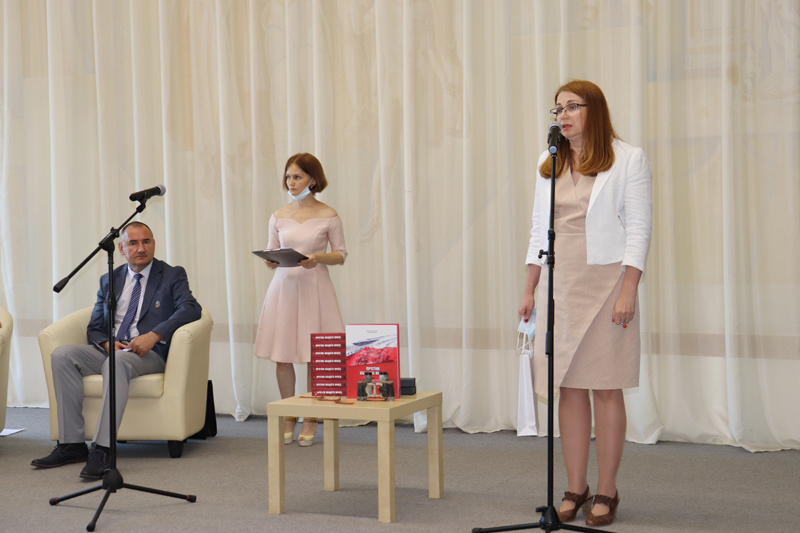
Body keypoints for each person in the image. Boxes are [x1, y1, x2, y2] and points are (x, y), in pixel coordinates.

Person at [518, 80, 652, 527]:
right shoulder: (549, 160)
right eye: (558, 109)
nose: (563, 115)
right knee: (569, 386)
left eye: (573, 107)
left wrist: (629, 290)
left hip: (609, 282)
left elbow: (639, 229)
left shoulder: (627, 158)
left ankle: (607, 489)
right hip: (561, 282)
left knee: (607, 387)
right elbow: (538, 230)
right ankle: (576, 486)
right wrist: (530, 288)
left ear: (595, 110)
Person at [31, 222, 201, 478]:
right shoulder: (110, 279)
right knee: (62, 356)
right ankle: (71, 445)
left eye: (146, 241)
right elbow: (95, 326)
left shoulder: (171, 275)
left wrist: (153, 335)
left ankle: (103, 450)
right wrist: (107, 344)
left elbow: (190, 308)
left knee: (117, 363)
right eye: (133, 243)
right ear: (121, 249)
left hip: (148, 354)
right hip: (113, 348)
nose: (141, 248)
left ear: (154, 244)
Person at [255, 153, 347, 447]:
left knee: (315, 355)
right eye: (288, 177)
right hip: (283, 287)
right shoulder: (278, 215)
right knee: (283, 354)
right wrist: (270, 261)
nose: (290, 182)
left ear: (313, 180)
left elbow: (341, 254)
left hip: (314, 287)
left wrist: (319, 257)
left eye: (297, 177)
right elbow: (272, 251)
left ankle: (311, 416)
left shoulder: (329, 214)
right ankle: (290, 413)